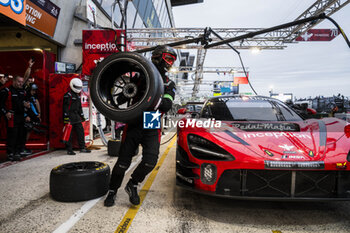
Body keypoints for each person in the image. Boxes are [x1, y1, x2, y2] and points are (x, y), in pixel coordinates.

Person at [104, 45, 177, 207]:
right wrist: (128, 91)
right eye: (169, 58)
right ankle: (112, 190)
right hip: (134, 122)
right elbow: (121, 100)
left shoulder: (169, 83)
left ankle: (133, 184)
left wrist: (148, 97)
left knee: (150, 161)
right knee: (123, 162)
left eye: (173, 60)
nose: (170, 63)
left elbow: (166, 105)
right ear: (158, 56)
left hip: (152, 122)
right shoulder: (138, 77)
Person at [0, 75, 30, 161]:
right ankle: (10, 153)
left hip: (21, 116)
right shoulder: (6, 90)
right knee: (13, 135)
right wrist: (6, 112)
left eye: (21, 82)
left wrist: (27, 111)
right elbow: (1, 104)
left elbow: (25, 103)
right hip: (12, 117)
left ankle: (17, 152)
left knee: (21, 134)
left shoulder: (23, 91)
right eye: (19, 82)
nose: (20, 83)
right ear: (14, 81)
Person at [62, 78, 91, 155]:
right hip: (70, 117)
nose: (78, 89)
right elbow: (65, 108)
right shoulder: (67, 95)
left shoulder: (78, 96)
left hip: (76, 116)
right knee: (69, 134)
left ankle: (82, 148)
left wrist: (82, 116)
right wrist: (66, 118)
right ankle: (69, 150)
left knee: (81, 132)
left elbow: (79, 107)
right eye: (77, 87)